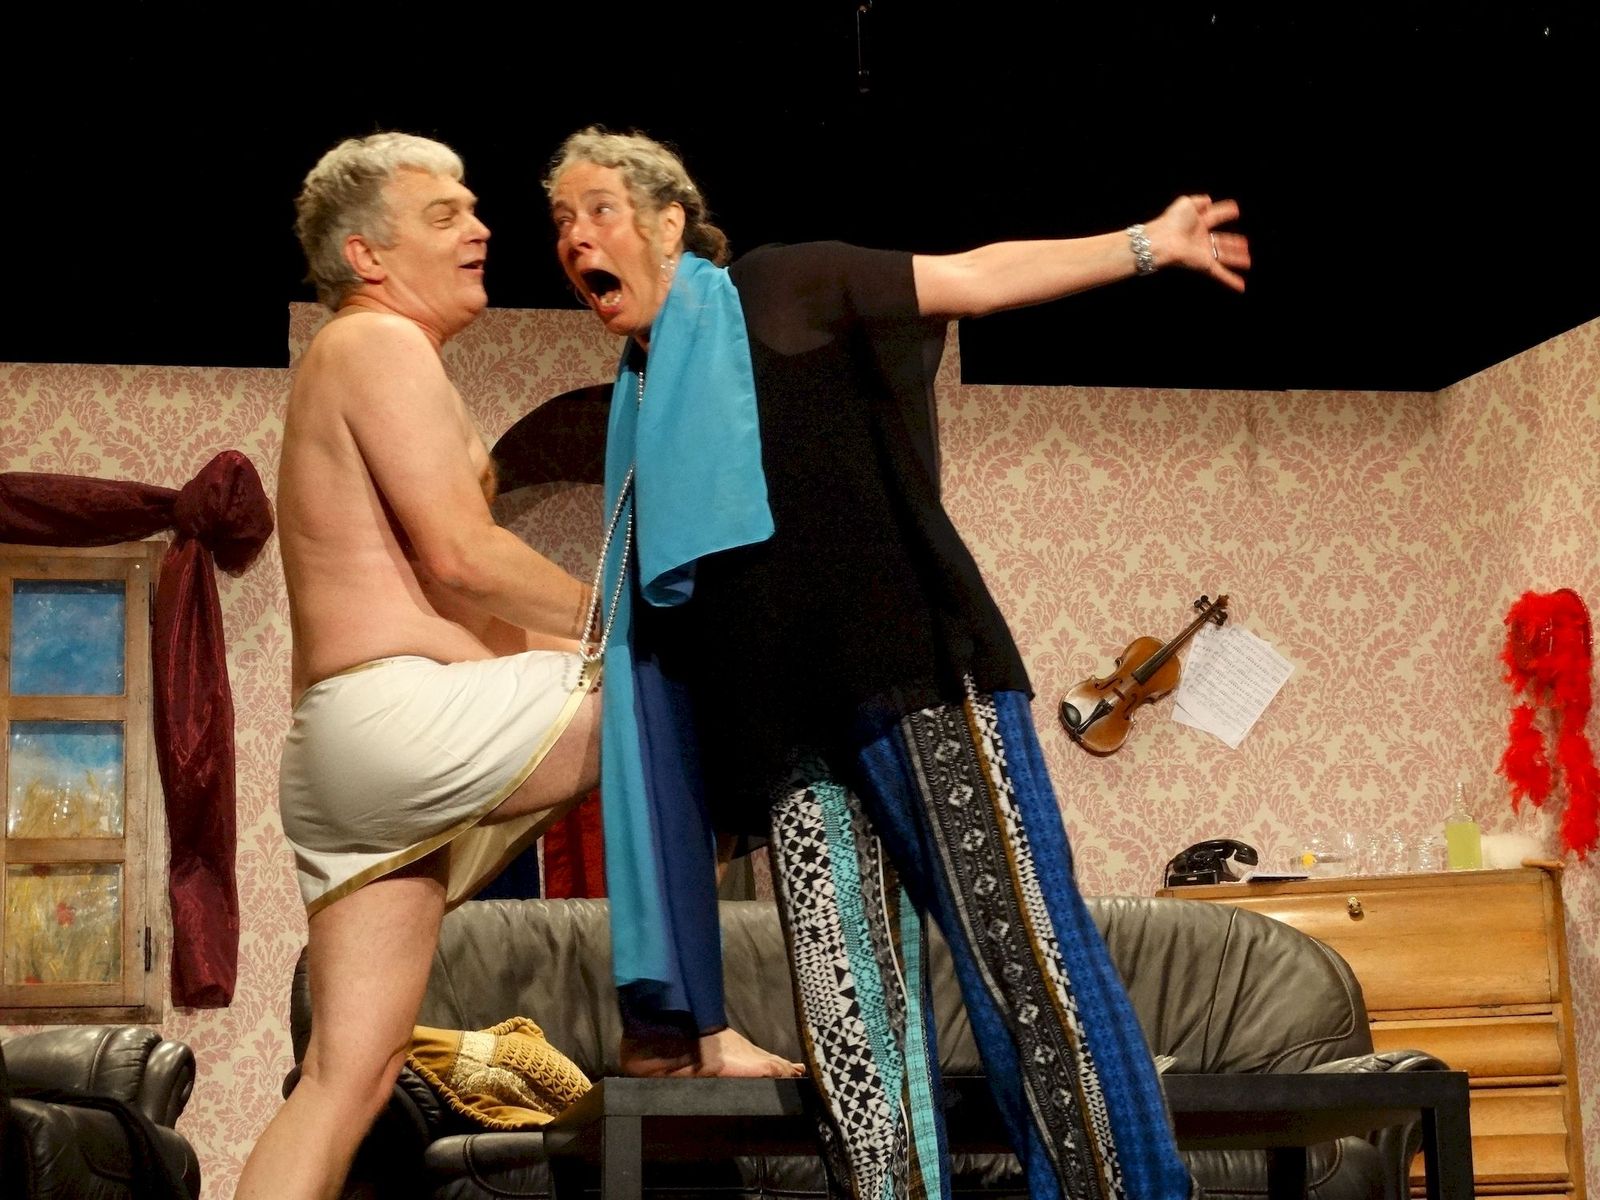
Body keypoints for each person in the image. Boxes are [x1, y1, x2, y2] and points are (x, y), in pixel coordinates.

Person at [545, 125, 1250, 1200]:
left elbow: (974, 277)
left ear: (670, 222)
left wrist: (1147, 244)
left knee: (1025, 965)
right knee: (856, 1046)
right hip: (790, 742)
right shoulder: (642, 398)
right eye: (560, 221)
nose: (574, 236)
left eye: (597, 208)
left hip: (917, 679)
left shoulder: (778, 288)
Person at [236, 131, 609, 1200]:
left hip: (348, 755)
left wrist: (579, 643)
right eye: (444, 215)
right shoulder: (376, 343)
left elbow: (447, 595)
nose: (480, 228)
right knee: (679, 694)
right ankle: (690, 1039)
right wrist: (619, 628)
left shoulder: (360, 355)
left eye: (474, 207)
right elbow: (463, 557)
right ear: (366, 255)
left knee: (346, 1079)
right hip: (399, 719)